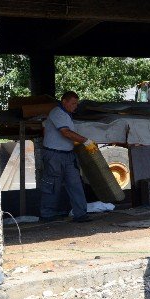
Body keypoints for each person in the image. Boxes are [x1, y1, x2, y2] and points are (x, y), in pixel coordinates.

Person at [40, 91, 95, 222]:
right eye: (73, 103)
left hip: (68, 154)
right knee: (53, 185)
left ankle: (80, 214)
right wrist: (86, 141)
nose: (75, 106)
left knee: (75, 183)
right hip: (54, 154)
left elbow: (68, 134)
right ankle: (47, 214)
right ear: (64, 101)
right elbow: (65, 132)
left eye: (76, 103)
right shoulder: (57, 113)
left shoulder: (66, 115)